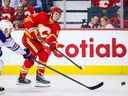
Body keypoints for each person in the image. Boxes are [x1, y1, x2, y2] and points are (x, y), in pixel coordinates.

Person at [18, 6, 64, 86]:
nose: (58, 16)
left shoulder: (57, 27)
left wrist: (54, 45)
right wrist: (33, 31)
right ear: (52, 13)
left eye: (59, 15)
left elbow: (52, 38)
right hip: (28, 38)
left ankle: (31, 77)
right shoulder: (42, 15)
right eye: (56, 14)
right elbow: (27, 20)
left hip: (37, 42)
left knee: (41, 55)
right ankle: (29, 77)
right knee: (37, 55)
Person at [0, 19, 32, 92]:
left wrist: (25, 53)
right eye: (9, 29)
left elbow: (14, 47)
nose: (10, 31)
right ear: (3, 29)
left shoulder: (5, 38)